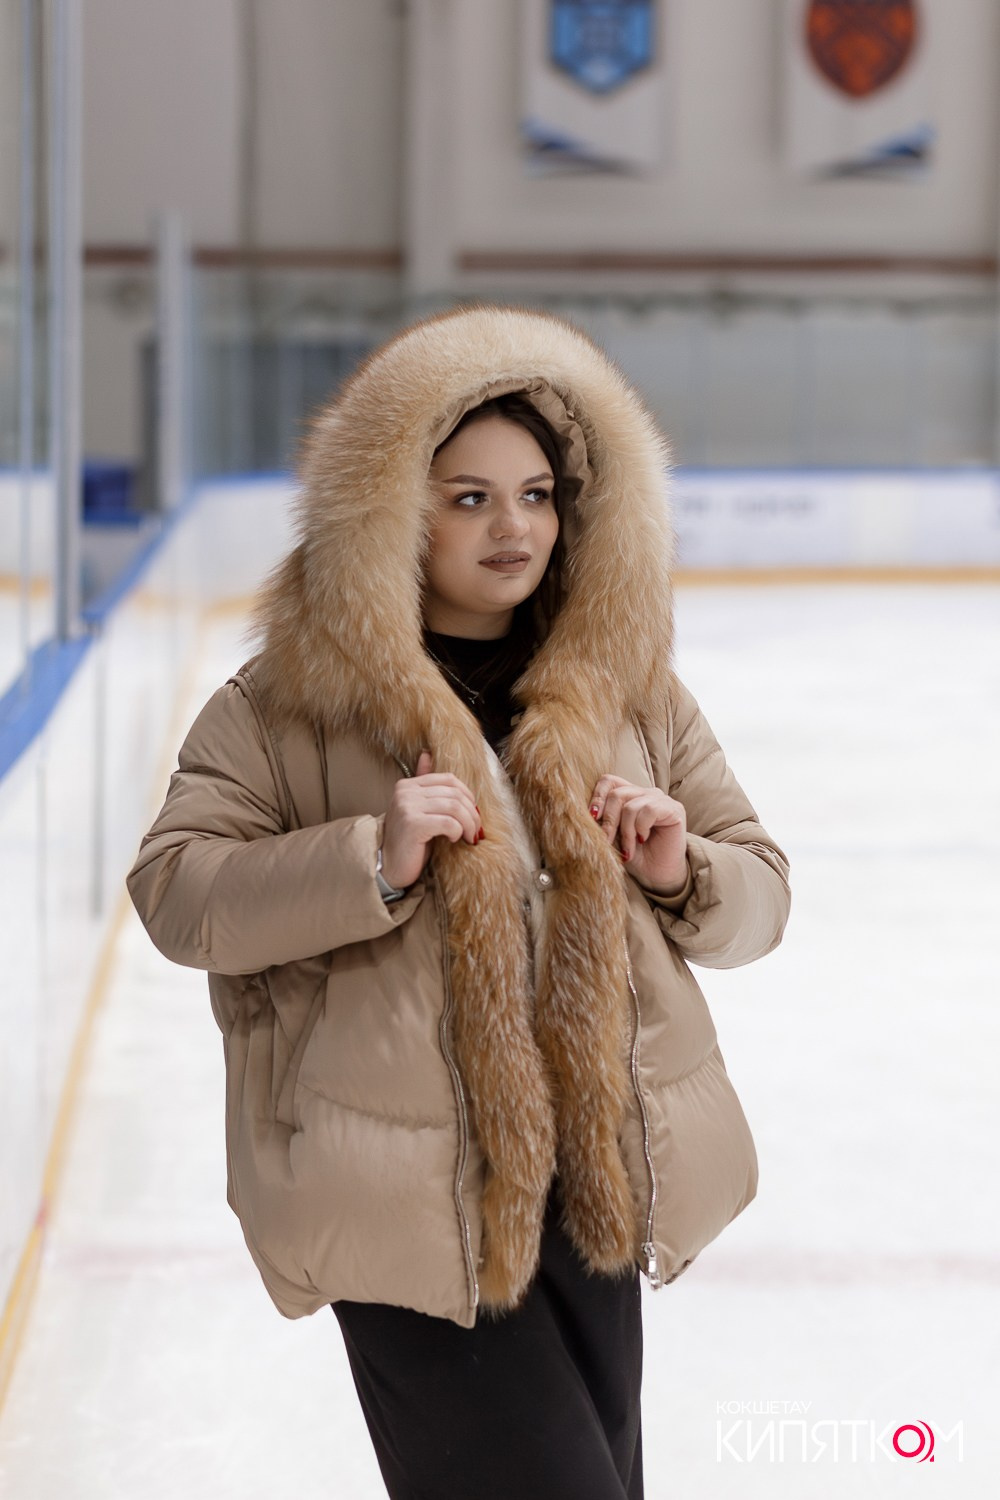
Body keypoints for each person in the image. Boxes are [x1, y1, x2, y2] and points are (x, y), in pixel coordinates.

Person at [127, 304, 790, 1499]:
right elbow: (178, 895)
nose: (512, 527)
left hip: (589, 1186)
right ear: (387, 509)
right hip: (401, 1197)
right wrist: (368, 861)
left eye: (536, 494)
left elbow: (762, 897)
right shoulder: (281, 708)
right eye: (467, 496)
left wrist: (680, 871)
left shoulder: (631, 695)